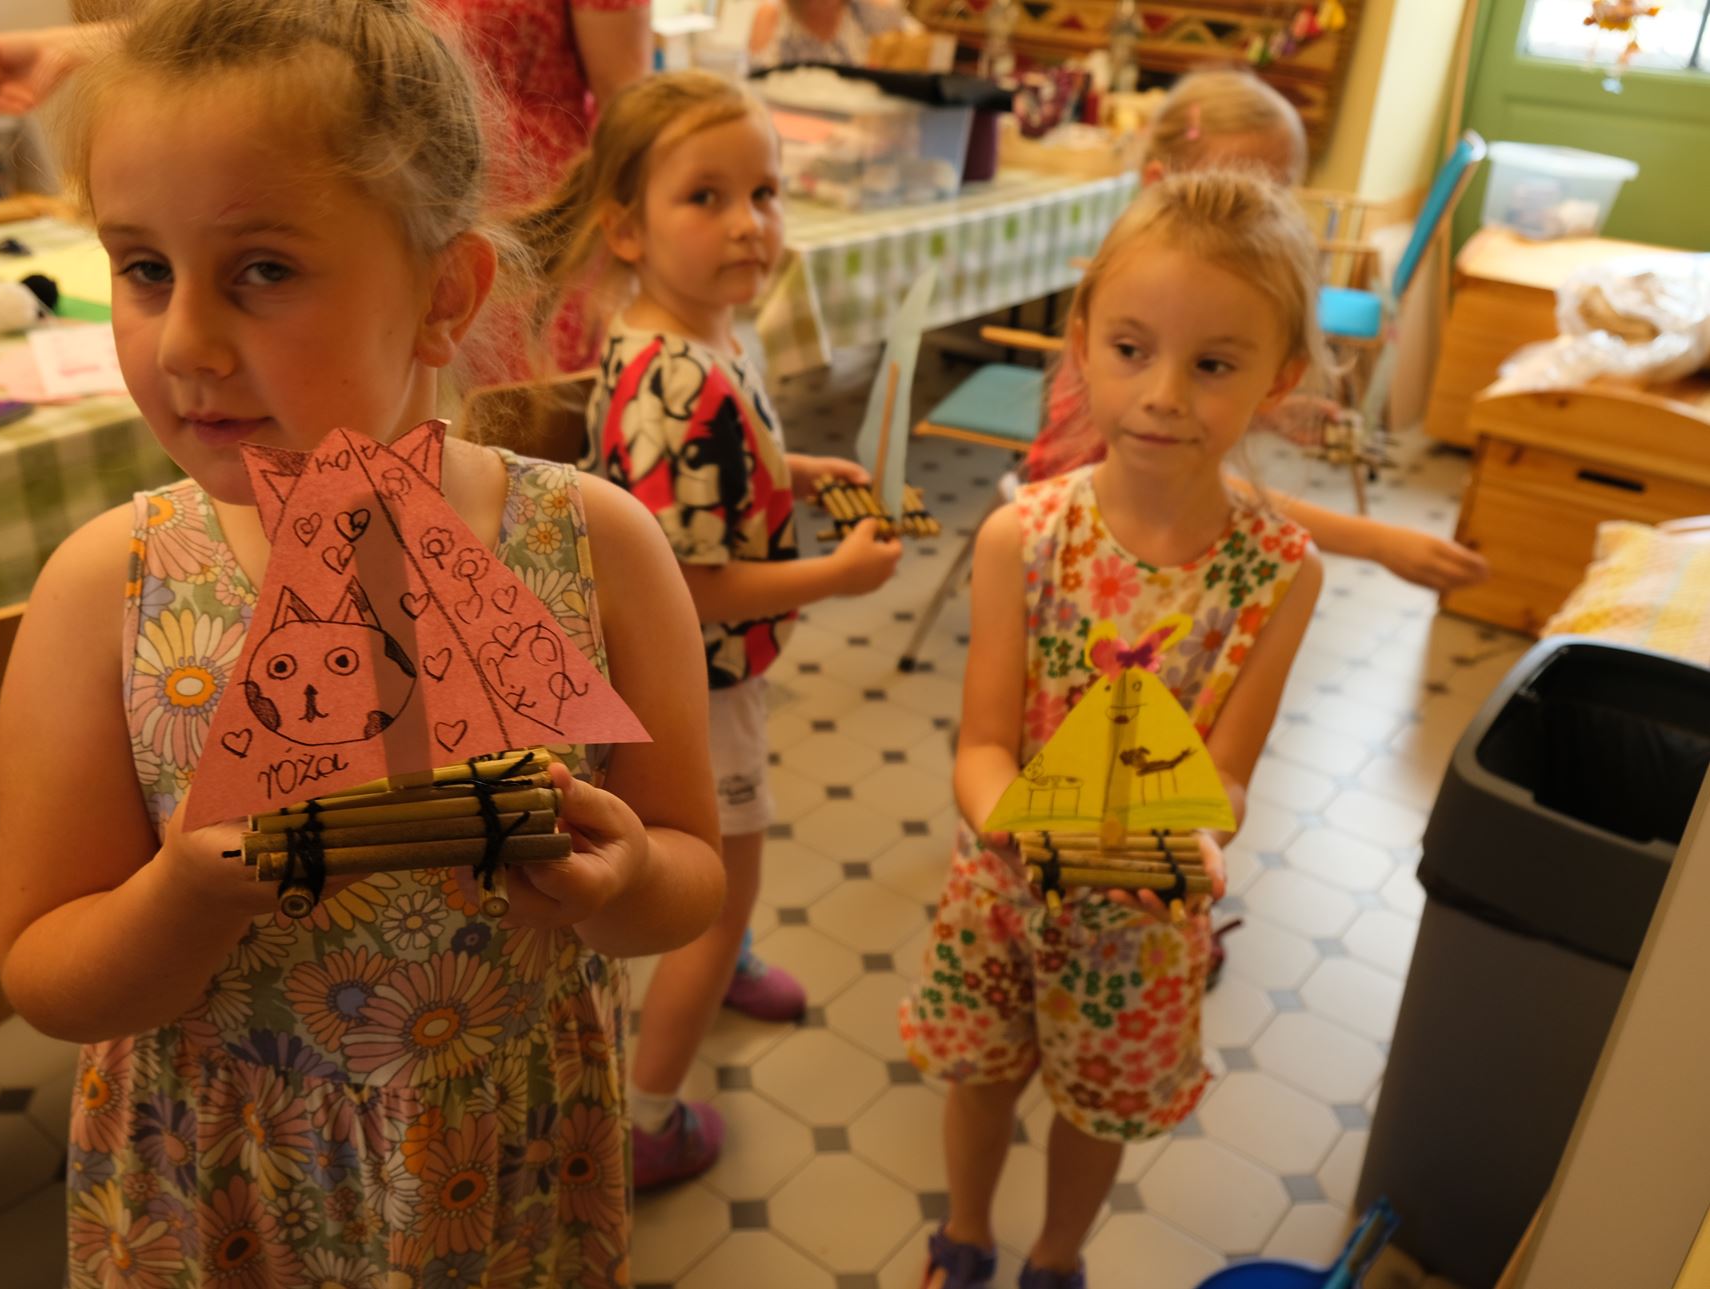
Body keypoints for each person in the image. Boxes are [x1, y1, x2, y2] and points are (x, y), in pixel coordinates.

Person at [0, 1, 724, 1281]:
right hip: (222, 1171)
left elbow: (691, 871)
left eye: (264, 270)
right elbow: (46, 975)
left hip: (503, 1152)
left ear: (445, 294)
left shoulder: (599, 548)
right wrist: (182, 895)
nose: (185, 343)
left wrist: (622, 880)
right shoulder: (100, 591)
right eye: (144, 268)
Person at [899, 169, 1330, 1289]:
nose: (1164, 395)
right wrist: (1019, 827)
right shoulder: (1022, 537)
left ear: (1279, 377)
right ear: (1081, 340)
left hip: (1143, 928)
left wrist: (1193, 841)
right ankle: (964, 1233)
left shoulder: (1281, 574)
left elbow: (1226, 777)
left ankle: (1055, 1257)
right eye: (1132, 349)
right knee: (980, 1082)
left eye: (1214, 364)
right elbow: (981, 748)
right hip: (1002, 897)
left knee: (1096, 1113)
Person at [521, 69, 904, 1189]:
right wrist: (835, 575)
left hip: (716, 674)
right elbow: (683, 587)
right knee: (719, 886)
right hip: (701, 680)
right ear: (625, 229)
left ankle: (725, 958)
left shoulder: (695, 334)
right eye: (706, 197)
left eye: (764, 193)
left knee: (727, 862)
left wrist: (795, 469)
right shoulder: (674, 382)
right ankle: (647, 1115)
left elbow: (714, 473)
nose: (748, 223)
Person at [0, 0, 652, 370]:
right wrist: (74, 48)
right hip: (346, 200)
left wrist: (627, 235)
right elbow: (298, 27)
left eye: (266, 270)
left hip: (538, 224)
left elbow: (627, 101)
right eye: (146, 270)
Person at [1024, 68, 1490, 594]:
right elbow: (1173, 485)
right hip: (1084, 550)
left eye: (1278, 190)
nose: (1262, 215)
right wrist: (1371, 540)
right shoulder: (1130, 306)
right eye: (1236, 188)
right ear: (1160, 184)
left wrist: (1268, 412)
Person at [749, 0, 920, 67]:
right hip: (789, 123)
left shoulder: (869, 11)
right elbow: (756, 81)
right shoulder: (772, 14)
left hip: (856, 124)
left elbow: (916, 51)